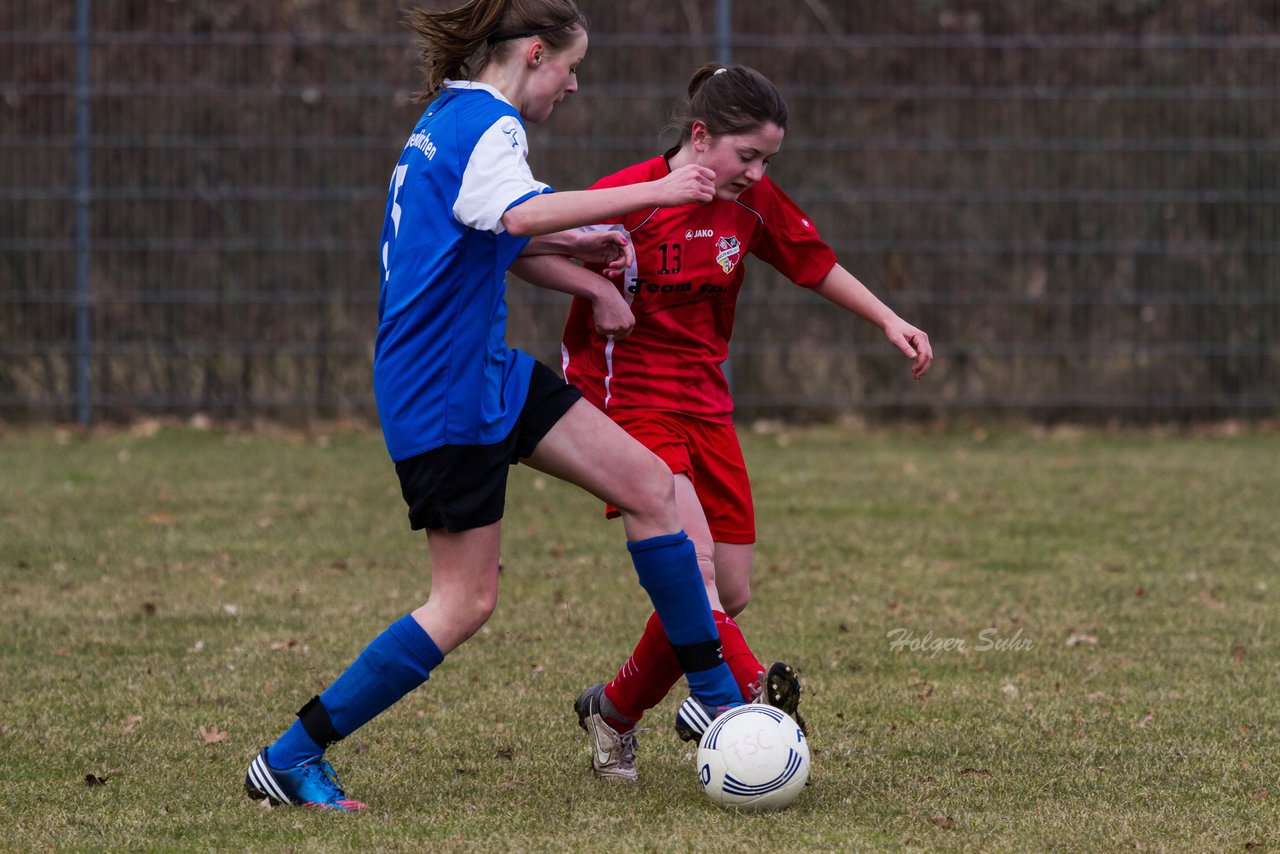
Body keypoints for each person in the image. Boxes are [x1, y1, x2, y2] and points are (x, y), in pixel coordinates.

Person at [243, 2, 749, 811]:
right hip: (441, 391)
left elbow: (483, 233)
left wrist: (577, 258)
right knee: (465, 601)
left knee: (651, 487)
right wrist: (651, 191)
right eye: (571, 68)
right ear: (535, 54)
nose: (574, 86)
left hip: (483, 371)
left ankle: (721, 702)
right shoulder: (492, 123)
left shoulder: (450, 117)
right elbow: (513, 213)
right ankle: (291, 755)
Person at [517, 62, 933, 781]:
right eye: (747, 156)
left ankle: (613, 712)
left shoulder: (753, 201)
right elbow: (522, 245)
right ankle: (750, 705)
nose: (757, 172)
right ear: (701, 136)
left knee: (728, 591)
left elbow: (814, 262)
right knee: (696, 565)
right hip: (631, 403)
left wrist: (889, 319)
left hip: (707, 404)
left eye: (768, 159)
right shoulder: (635, 193)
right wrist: (595, 287)